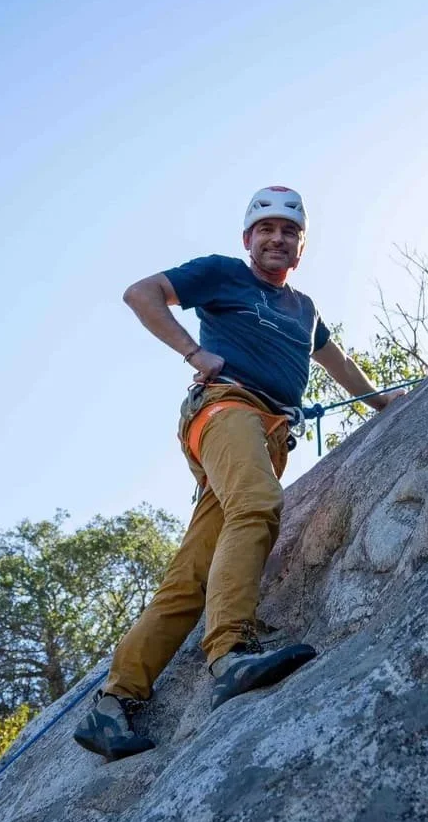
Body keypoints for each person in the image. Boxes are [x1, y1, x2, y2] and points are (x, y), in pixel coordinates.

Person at [73, 186, 402, 761]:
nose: (277, 239)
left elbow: (336, 361)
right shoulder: (223, 274)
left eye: (289, 232)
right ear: (247, 240)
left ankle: (113, 702)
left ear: (301, 247)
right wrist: (192, 353)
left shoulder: (304, 309)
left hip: (267, 433)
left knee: (192, 575)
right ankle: (229, 654)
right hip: (225, 411)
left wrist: (381, 404)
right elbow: (141, 293)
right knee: (257, 506)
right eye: (266, 230)